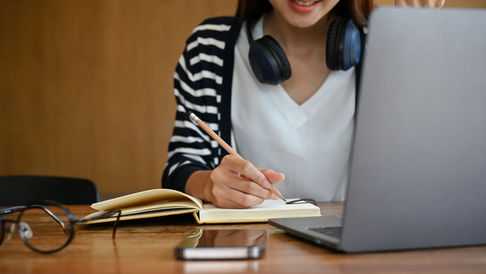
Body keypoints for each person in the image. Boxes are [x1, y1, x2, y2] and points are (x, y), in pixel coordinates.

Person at [163, 0, 445, 208]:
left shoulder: (386, 48)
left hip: (354, 259)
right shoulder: (211, 48)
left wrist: (415, 44)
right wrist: (212, 185)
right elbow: (179, 169)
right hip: (249, 251)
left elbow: (425, 172)